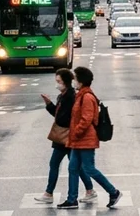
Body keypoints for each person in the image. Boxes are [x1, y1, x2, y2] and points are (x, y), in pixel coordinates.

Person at [56, 66, 119, 210]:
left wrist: (76, 132)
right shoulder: (81, 95)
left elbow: (87, 118)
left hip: (85, 139)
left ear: (81, 81)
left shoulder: (87, 97)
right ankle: (72, 199)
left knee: (89, 169)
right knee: (73, 168)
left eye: (76, 79)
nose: (74, 82)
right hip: (78, 140)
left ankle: (113, 192)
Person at [34, 69, 94, 205]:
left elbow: (64, 118)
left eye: (59, 82)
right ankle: (89, 190)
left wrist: (56, 114)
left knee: (60, 164)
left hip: (66, 136)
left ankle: (50, 193)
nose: (57, 84)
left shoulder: (70, 97)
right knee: (75, 166)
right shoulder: (63, 95)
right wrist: (49, 104)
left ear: (66, 82)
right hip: (65, 136)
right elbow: (57, 114)